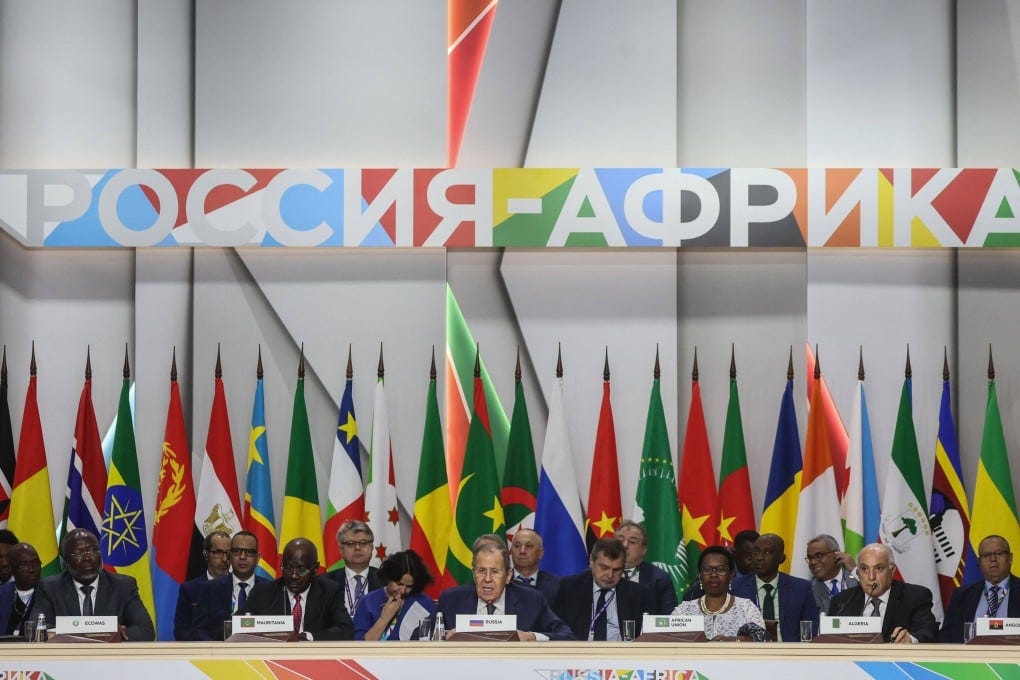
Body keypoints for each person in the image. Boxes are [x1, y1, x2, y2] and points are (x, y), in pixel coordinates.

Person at [437, 541, 573, 641]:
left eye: (495, 572)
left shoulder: (531, 600)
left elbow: (566, 635)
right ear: (474, 574)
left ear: (508, 576)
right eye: (481, 571)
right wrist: (444, 635)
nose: (487, 579)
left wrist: (530, 637)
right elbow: (419, 634)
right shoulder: (452, 598)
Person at [34, 528, 154, 641]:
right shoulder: (50, 587)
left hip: (110, 659)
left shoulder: (123, 586)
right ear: (66, 562)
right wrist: (100, 632)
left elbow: (146, 631)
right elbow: (36, 628)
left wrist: (117, 635)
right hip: (67, 658)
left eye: (93, 550)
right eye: (78, 553)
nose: (87, 557)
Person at [239, 537, 353, 640]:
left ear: (315, 569)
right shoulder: (262, 593)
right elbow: (238, 626)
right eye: (288, 568)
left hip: (315, 658)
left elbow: (345, 630)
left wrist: (308, 637)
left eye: (301, 570)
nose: (294, 576)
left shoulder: (330, 591)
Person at [828, 543, 938, 643]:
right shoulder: (842, 601)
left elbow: (927, 630)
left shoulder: (915, 596)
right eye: (864, 569)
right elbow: (828, 639)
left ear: (892, 570)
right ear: (858, 572)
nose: (871, 577)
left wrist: (910, 639)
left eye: (879, 568)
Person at [552, 537, 645, 641]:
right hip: (579, 653)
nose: (610, 575)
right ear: (592, 561)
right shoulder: (569, 588)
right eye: (604, 568)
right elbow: (555, 629)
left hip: (621, 654)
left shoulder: (636, 593)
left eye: (616, 570)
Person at [730, 533, 817, 641]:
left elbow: (811, 631)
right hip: (750, 653)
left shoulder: (801, 589)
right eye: (756, 552)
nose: (760, 557)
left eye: (767, 552)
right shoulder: (736, 588)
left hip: (790, 653)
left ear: (781, 558)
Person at [672, 546, 768, 642]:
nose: (714, 574)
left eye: (721, 570)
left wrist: (736, 640)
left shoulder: (746, 608)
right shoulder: (684, 610)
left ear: (731, 575)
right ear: (700, 575)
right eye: (707, 569)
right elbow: (667, 640)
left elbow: (763, 639)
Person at [191, 530, 270, 640]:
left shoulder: (271, 589)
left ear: (257, 558)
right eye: (237, 551)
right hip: (220, 654)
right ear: (229, 555)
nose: (242, 557)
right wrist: (219, 650)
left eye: (249, 552)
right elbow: (199, 630)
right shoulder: (209, 588)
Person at [941, 535, 1019, 642]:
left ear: (1010, 558)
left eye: (999, 553)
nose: (993, 559)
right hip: (970, 657)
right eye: (986, 555)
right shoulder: (961, 595)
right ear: (979, 562)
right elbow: (947, 638)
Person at [355, 549, 435, 641]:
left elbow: (428, 643)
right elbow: (360, 647)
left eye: (409, 586)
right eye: (399, 584)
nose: (403, 590)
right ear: (388, 577)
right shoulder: (368, 602)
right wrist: (384, 619)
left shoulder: (424, 602)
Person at [174, 530, 231, 640]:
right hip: (202, 652)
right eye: (218, 553)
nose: (224, 559)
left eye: (228, 553)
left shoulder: (239, 586)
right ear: (206, 554)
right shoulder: (190, 589)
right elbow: (181, 632)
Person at [615, 520, 678, 615]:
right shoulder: (596, 574)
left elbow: (669, 618)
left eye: (632, 542)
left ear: (644, 549)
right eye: (620, 540)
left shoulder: (659, 578)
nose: (624, 546)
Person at [324, 520, 380, 618]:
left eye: (363, 543)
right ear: (341, 549)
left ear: (371, 547)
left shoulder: (385, 580)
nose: (357, 548)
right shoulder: (325, 582)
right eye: (350, 544)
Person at [805, 533, 858, 614]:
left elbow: (876, 591)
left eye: (818, 556)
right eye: (810, 558)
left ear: (836, 554)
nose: (813, 562)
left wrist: (855, 570)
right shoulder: (808, 590)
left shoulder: (856, 579)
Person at [0, 543, 40, 635]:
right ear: (12, 568)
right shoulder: (2, 594)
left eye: (35, 563)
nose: (32, 569)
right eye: (24, 565)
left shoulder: (50, 593)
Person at [510, 529, 560, 602]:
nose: (522, 551)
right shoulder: (500, 582)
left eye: (529, 546)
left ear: (541, 553)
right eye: (517, 546)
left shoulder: (557, 585)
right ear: (511, 551)